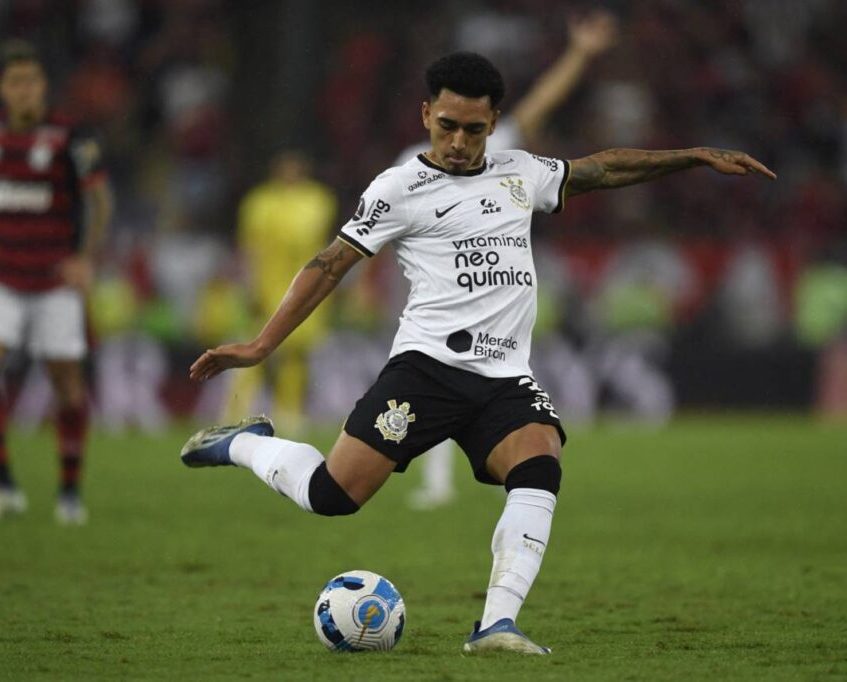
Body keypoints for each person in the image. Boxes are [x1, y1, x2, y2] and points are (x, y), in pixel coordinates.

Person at [181, 52, 774, 653]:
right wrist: (260, 346)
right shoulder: (398, 189)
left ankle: (495, 624)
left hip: (504, 377)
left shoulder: (521, 172)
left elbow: (601, 170)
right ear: (425, 115)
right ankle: (245, 442)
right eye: (446, 125)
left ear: (495, 121)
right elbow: (329, 263)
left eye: (473, 128)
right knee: (333, 497)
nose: (459, 141)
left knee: (540, 463)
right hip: (426, 371)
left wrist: (694, 156)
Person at [398, 10, 619, 510]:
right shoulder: (405, 168)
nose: (460, 139)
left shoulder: (495, 154)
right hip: (432, 296)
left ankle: (451, 476)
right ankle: (436, 478)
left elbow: (538, 107)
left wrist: (580, 53)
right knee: (435, 374)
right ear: (428, 112)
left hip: (495, 293)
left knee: (476, 377)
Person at [0, 41, 113, 525]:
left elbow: (101, 200)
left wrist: (85, 259)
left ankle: (69, 492)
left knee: (67, 387)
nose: (24, 90)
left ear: (43, 87)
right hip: (2, 274)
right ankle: (3, 485)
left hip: (54, 282)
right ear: (3, 89)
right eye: (15, 82)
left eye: (32, 81)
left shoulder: (70, 136)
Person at [222, 151, 338, 433]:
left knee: (296, 354)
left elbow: (323, 244)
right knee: (253, 349)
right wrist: (248, 286)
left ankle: (288, 413)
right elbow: (249, 249)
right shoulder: (259, 202)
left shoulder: (318, 200)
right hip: (266, 288)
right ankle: (234, 411)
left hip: (307, 289)